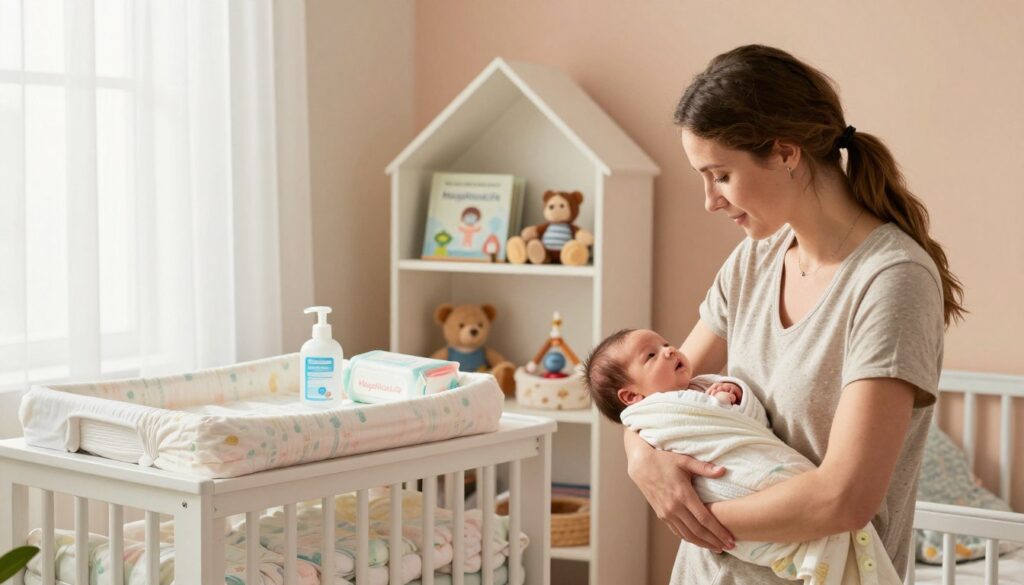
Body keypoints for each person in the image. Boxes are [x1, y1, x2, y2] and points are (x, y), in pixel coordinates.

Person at [624, 44, 964, 584]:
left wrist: (692, 516)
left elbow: (843, 499)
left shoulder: (892, 281)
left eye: (720, 175)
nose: (709, 200)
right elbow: (660, 385)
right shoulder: (756, 258)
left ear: (786, 153)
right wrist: (640, 458)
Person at [583, 328, 746, 424]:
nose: (670, 350)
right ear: (632, 395)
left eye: (665, 344)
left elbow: (752, 418)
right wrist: (720, 403)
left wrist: (736, 392)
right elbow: (703, 424)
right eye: (651, 355)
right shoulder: (659, 417)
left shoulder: (701, 385)